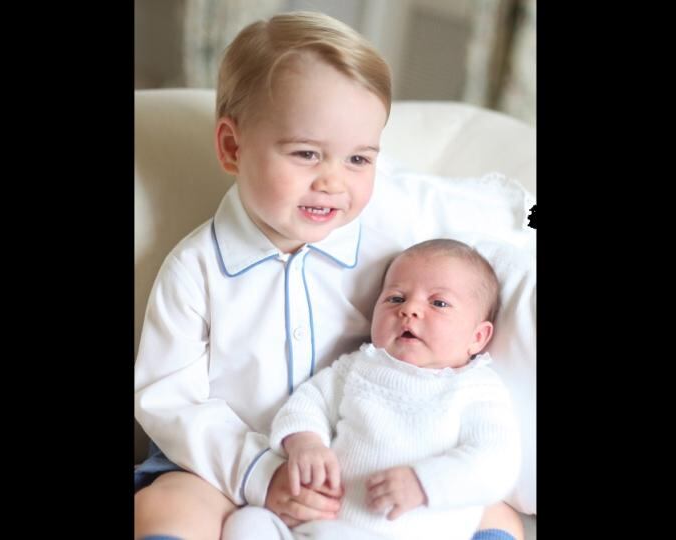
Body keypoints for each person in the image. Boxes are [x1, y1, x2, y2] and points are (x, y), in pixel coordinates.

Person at [133, 11, 525, 540]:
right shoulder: (195, 268)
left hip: (368, 459)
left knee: (495, 510)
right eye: (307, 154)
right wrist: (261, 473)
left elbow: (499, 210)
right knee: (166, 507)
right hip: (224, 465)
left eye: (359, 159)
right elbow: (169, 399)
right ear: (232, 147)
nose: (333, 182)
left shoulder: (393, 225)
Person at [221, 239, 519, 540]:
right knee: (248, 522)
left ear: (477, 337)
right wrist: (306, 443)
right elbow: (309, 402)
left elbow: (496, 463)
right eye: (395, 298)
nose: (410, 309)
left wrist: (424, 483)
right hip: (319, 528)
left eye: (438, 303)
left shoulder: (476, 389)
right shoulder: (358, 366)